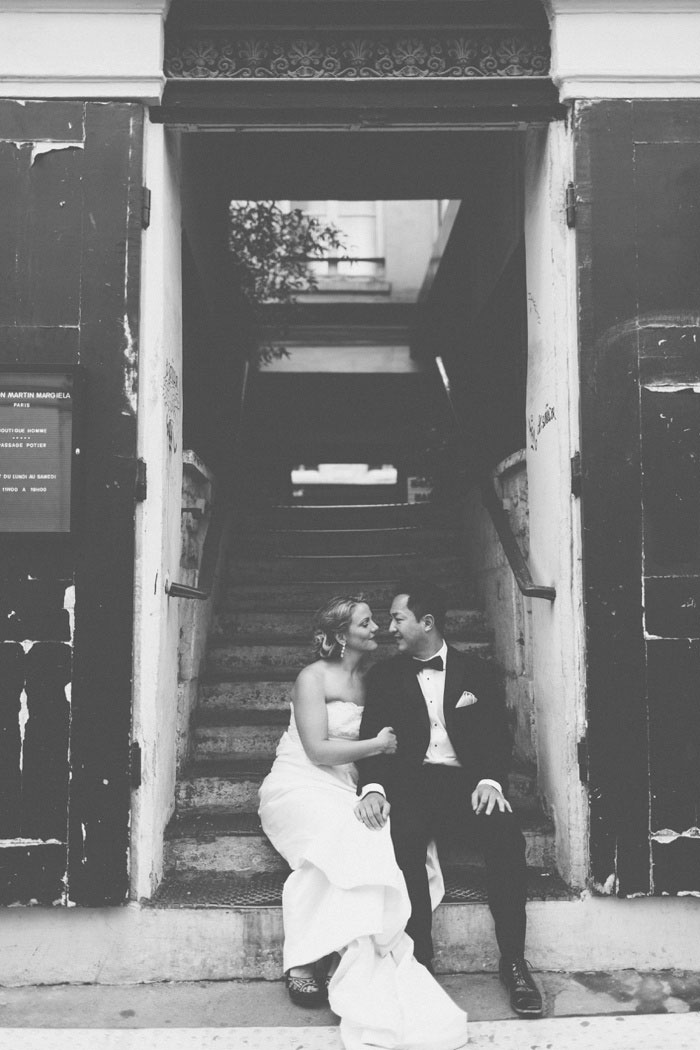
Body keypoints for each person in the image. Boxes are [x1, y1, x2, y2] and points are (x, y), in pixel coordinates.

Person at [258, 595, 468, 1050]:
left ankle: (348, 947)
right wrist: (377, 746)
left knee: (374, 837)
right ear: (340, 635)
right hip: (300, 783)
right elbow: (316, 750)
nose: (378, 629)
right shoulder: (312, 678)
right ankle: (300, 960)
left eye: (376, 621)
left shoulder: (373, 679)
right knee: (335, 842)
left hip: (348, 786)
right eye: (366, 623)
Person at [355, 578, 544, 1019]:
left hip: (467, 785)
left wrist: (491, 781)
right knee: (404, 841)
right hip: (413, 785)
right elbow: (373, 738)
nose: (390, 627)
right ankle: (421, 960)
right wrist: (375, 789)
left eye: (397, 618)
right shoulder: (384, 676)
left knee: (505, 836)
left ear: (427, 622)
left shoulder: (477, 671)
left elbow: (499, 736)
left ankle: (514, 961)